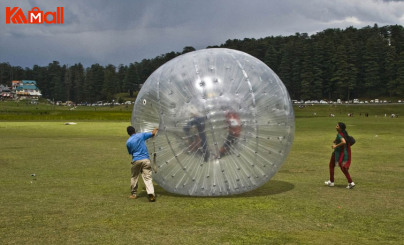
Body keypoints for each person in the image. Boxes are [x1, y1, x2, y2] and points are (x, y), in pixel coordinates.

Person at [126, 126, 158, 202]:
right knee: (148, 178)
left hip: (136, 160)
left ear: (128, 133)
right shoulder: (141, 135)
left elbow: (131, 152)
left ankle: (133, 194)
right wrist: (156, 128)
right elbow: (153, 134)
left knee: (134, 177)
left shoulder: (128, 142)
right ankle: (151, 194)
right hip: (146, 160)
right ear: (135, 131)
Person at [324, 122, 356, 189]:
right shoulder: (344, 133)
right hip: (343, 153)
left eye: (337, 126)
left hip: (338, 154)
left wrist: (336, 146)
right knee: (334, 166)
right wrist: (336, 141)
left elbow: (343, 142)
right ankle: (332, 181)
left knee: (336, 166)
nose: (336, 127)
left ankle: (350, 182)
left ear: (340, 128)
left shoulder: (339, 134)